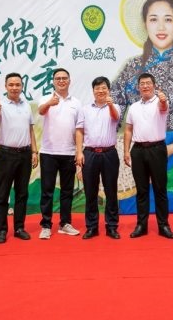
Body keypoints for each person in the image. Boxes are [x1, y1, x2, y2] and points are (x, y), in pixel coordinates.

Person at [112, 0, 173, 153]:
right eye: (154, 19)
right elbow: (113, 112)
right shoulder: (131, 67)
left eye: (168, 19)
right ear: (145, 24)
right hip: (142, 148)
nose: (161, 27)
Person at [123, 72, 173, 239]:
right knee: (141, 190)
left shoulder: (160, 102)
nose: (145, 86)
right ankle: (141, 225)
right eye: (142, 83)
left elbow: (164, 107)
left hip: (157, 149)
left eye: (148, 83)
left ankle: (163, 225)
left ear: (154, 85)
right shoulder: (133, 107)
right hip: (138, 150)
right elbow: (128, 130)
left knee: (160, 189)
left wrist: (163, 100)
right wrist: (126, 151)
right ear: (138, 87)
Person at [0, 72, 38, 244]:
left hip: (25, 154)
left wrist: (34, 151)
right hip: (6, 154)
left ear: (22, 86)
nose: (14, 87)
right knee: (2, 194)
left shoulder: (26, 105)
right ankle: (2, 230)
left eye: (17, 84)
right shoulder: (0, 104)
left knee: (22, 193)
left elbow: (30, 129)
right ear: (6, 86)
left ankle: (19, 228)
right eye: (11, 85)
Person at [37, 68, 81, 239]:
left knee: (67, 191)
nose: (61, 81)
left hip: (69, 152)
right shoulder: (45, 98)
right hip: (48, 152)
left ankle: (65, 223)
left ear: (69, 81)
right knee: (47, 190)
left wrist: (78, 151)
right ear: (53, 82)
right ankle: (46, 225)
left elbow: (79, 129)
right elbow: (41, 111)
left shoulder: (76, 103)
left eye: (64, 78)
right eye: (58, 78)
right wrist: (49, 103)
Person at [75, 76, 121, 240]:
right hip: (90, 153)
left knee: (111, 191)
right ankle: (92, 227)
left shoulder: (115, 106)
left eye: (104, 88)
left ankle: (112, 226)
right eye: (97, 88)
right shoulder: (85, 109)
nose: (100, 91)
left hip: (109, 153)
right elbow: (79, 131)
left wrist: (110, 104)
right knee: (90, 192)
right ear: (93, 90)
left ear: (108, 90)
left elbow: (115, 118)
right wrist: (79, 152)